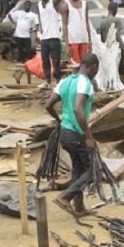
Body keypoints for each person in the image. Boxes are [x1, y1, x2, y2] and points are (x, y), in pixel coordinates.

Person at [44, 53, 100, 216]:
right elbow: (78, 108)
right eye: (96, 70)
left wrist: (59, 120)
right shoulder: (85, 84)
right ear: (93, 67)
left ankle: (79, 207)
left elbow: (48, 105)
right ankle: (65, 196)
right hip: (77, 134)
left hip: (65, 133)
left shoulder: (65, 81)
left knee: (78, 169)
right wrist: (89, 136)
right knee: (93, 171)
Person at [37, 0, 64, 86]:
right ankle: (47, 79)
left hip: (54, 37)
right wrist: (41, 28)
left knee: (56, 60)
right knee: (45, 60)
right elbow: (40, 16)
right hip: (44, 38)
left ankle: (57, 79)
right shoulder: (39, 4)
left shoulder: (53, 2)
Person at [62, 0, 92, 66]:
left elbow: (87, 22)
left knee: (85, 65)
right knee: (75, 66)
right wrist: (67, 45)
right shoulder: (66, 5)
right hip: (73, 41)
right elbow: (64, 26)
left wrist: (90, 40)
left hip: (84, 40)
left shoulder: (85, 4)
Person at [100, 2, 124, 86]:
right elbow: (118, 36)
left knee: (110, 72)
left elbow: (102, 39)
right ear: (114, 10)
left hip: (108, 51)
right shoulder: (116, 20)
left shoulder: (103, 22)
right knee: (122, 72)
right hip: (117, 50)